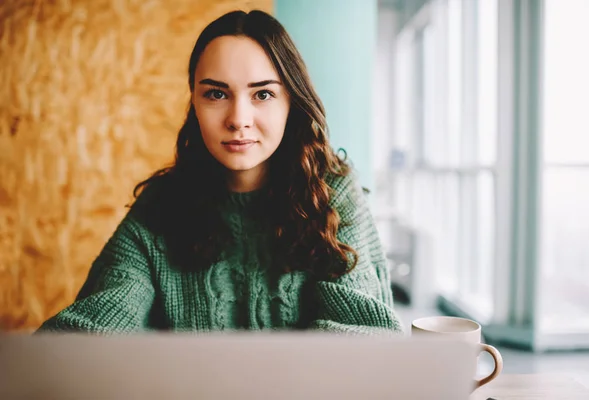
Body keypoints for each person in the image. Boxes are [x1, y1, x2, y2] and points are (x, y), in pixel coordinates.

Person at [38, 10, 403, 335]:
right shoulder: (162, 207)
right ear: (194, 102)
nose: (238, 120)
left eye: (262, 95)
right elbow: (93, 329)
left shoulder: (333, 194)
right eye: (216, 94)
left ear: (291, 102)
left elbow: (365, 335)